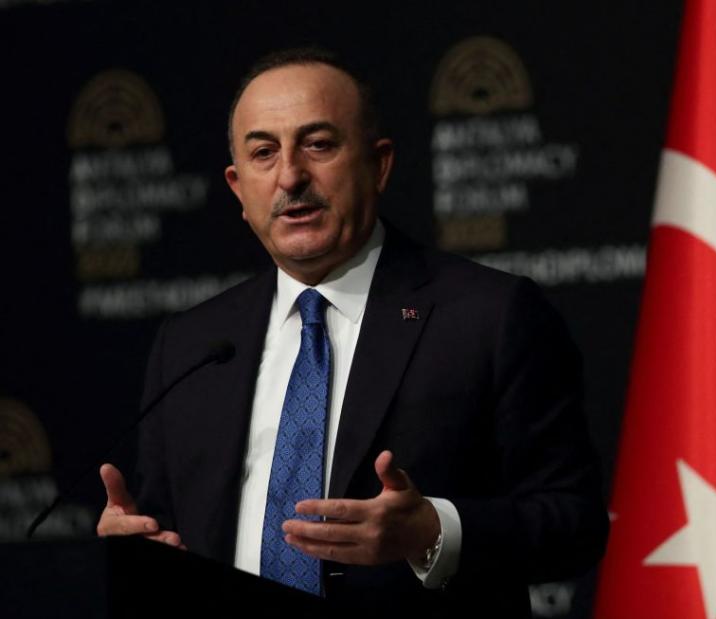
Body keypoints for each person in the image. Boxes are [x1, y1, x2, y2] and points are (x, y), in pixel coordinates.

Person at [96, 47, 608, 617]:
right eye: (264, 153)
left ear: (379, 164)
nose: (290, 176)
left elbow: (575, 523)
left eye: (318, 144)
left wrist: (433, 531)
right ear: (238, 188)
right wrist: (138, 549)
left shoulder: (488, 315)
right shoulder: (191, 343)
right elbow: (166, 527)